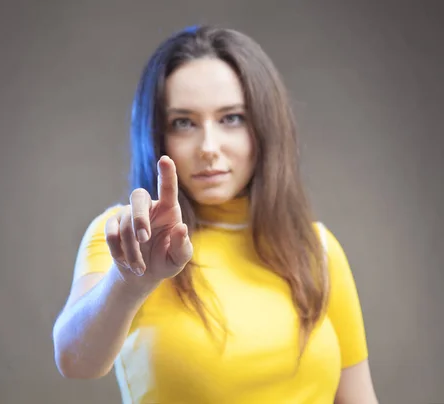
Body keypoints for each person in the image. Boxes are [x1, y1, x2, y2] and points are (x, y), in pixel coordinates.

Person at [52, 25, 378, 403]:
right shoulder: (129, 238)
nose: (208, 147)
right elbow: (75, 362)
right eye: (184, 123)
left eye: (231, 118)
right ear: (157, 134)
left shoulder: (317, 248)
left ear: (264, 126)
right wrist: (130, 282)